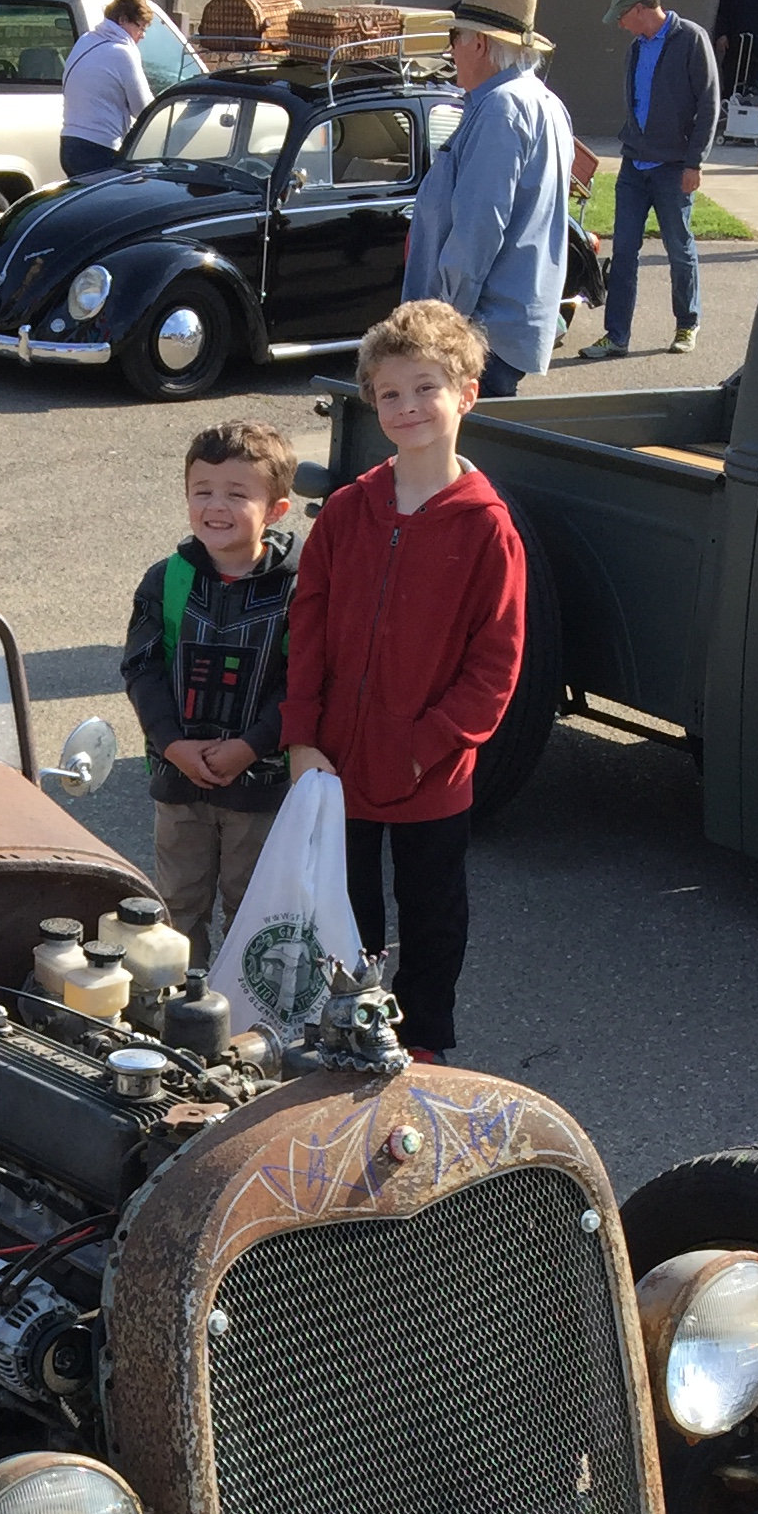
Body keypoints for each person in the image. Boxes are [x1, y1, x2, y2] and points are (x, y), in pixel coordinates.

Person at [283, 299, 524, 1064]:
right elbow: (308, 629)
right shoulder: (350, 511)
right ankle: (349, 1025)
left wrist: (428, 746)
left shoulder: (487, 525)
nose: (408, 407)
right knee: (344, 906)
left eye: (426, 388)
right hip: (336, 762)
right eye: (390, 393)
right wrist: (299, 736)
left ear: (467, 393)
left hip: (429, 770)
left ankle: (423, 1039)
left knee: (430, 911)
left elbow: (497, 662)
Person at [120, 421, 301, 952]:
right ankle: (181, 1010)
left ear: (276, 510)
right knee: (177, 907)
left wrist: (251, 746)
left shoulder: (302, 584)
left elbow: (305, 681)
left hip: (261, 786)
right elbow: (142, 669)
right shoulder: (167, 579)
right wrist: (173, 745)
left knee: (254, 907)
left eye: (236, 493)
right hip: (180, 783)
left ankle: (246, 1018)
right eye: (202, 492)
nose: (215, 506)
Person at [401, 0, 572, 397]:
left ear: (478, 42)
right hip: (502, 328)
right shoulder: (544, 103)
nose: (451, 51)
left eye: (454, 39)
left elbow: (478, 227)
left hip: (478, 334)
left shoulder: (502, 108)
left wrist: (443, 328)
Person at [578, 0, 718, 361]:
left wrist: (695, 162)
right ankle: (616, 336)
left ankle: (687, 324)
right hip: (634, 164)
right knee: (624, 251)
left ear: (640, 9)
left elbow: (709, 105)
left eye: (623, 16)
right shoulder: (637, 49)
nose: (620, 24)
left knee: (679, 247)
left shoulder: (690, 39)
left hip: (674, 167)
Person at [59, 0, 154, 178]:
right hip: (100, 149)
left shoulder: (85, 41)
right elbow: (143, 109)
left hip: (69, 144)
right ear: (122, 20)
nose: (142, 35)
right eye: (140, 27)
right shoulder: (122, 53)